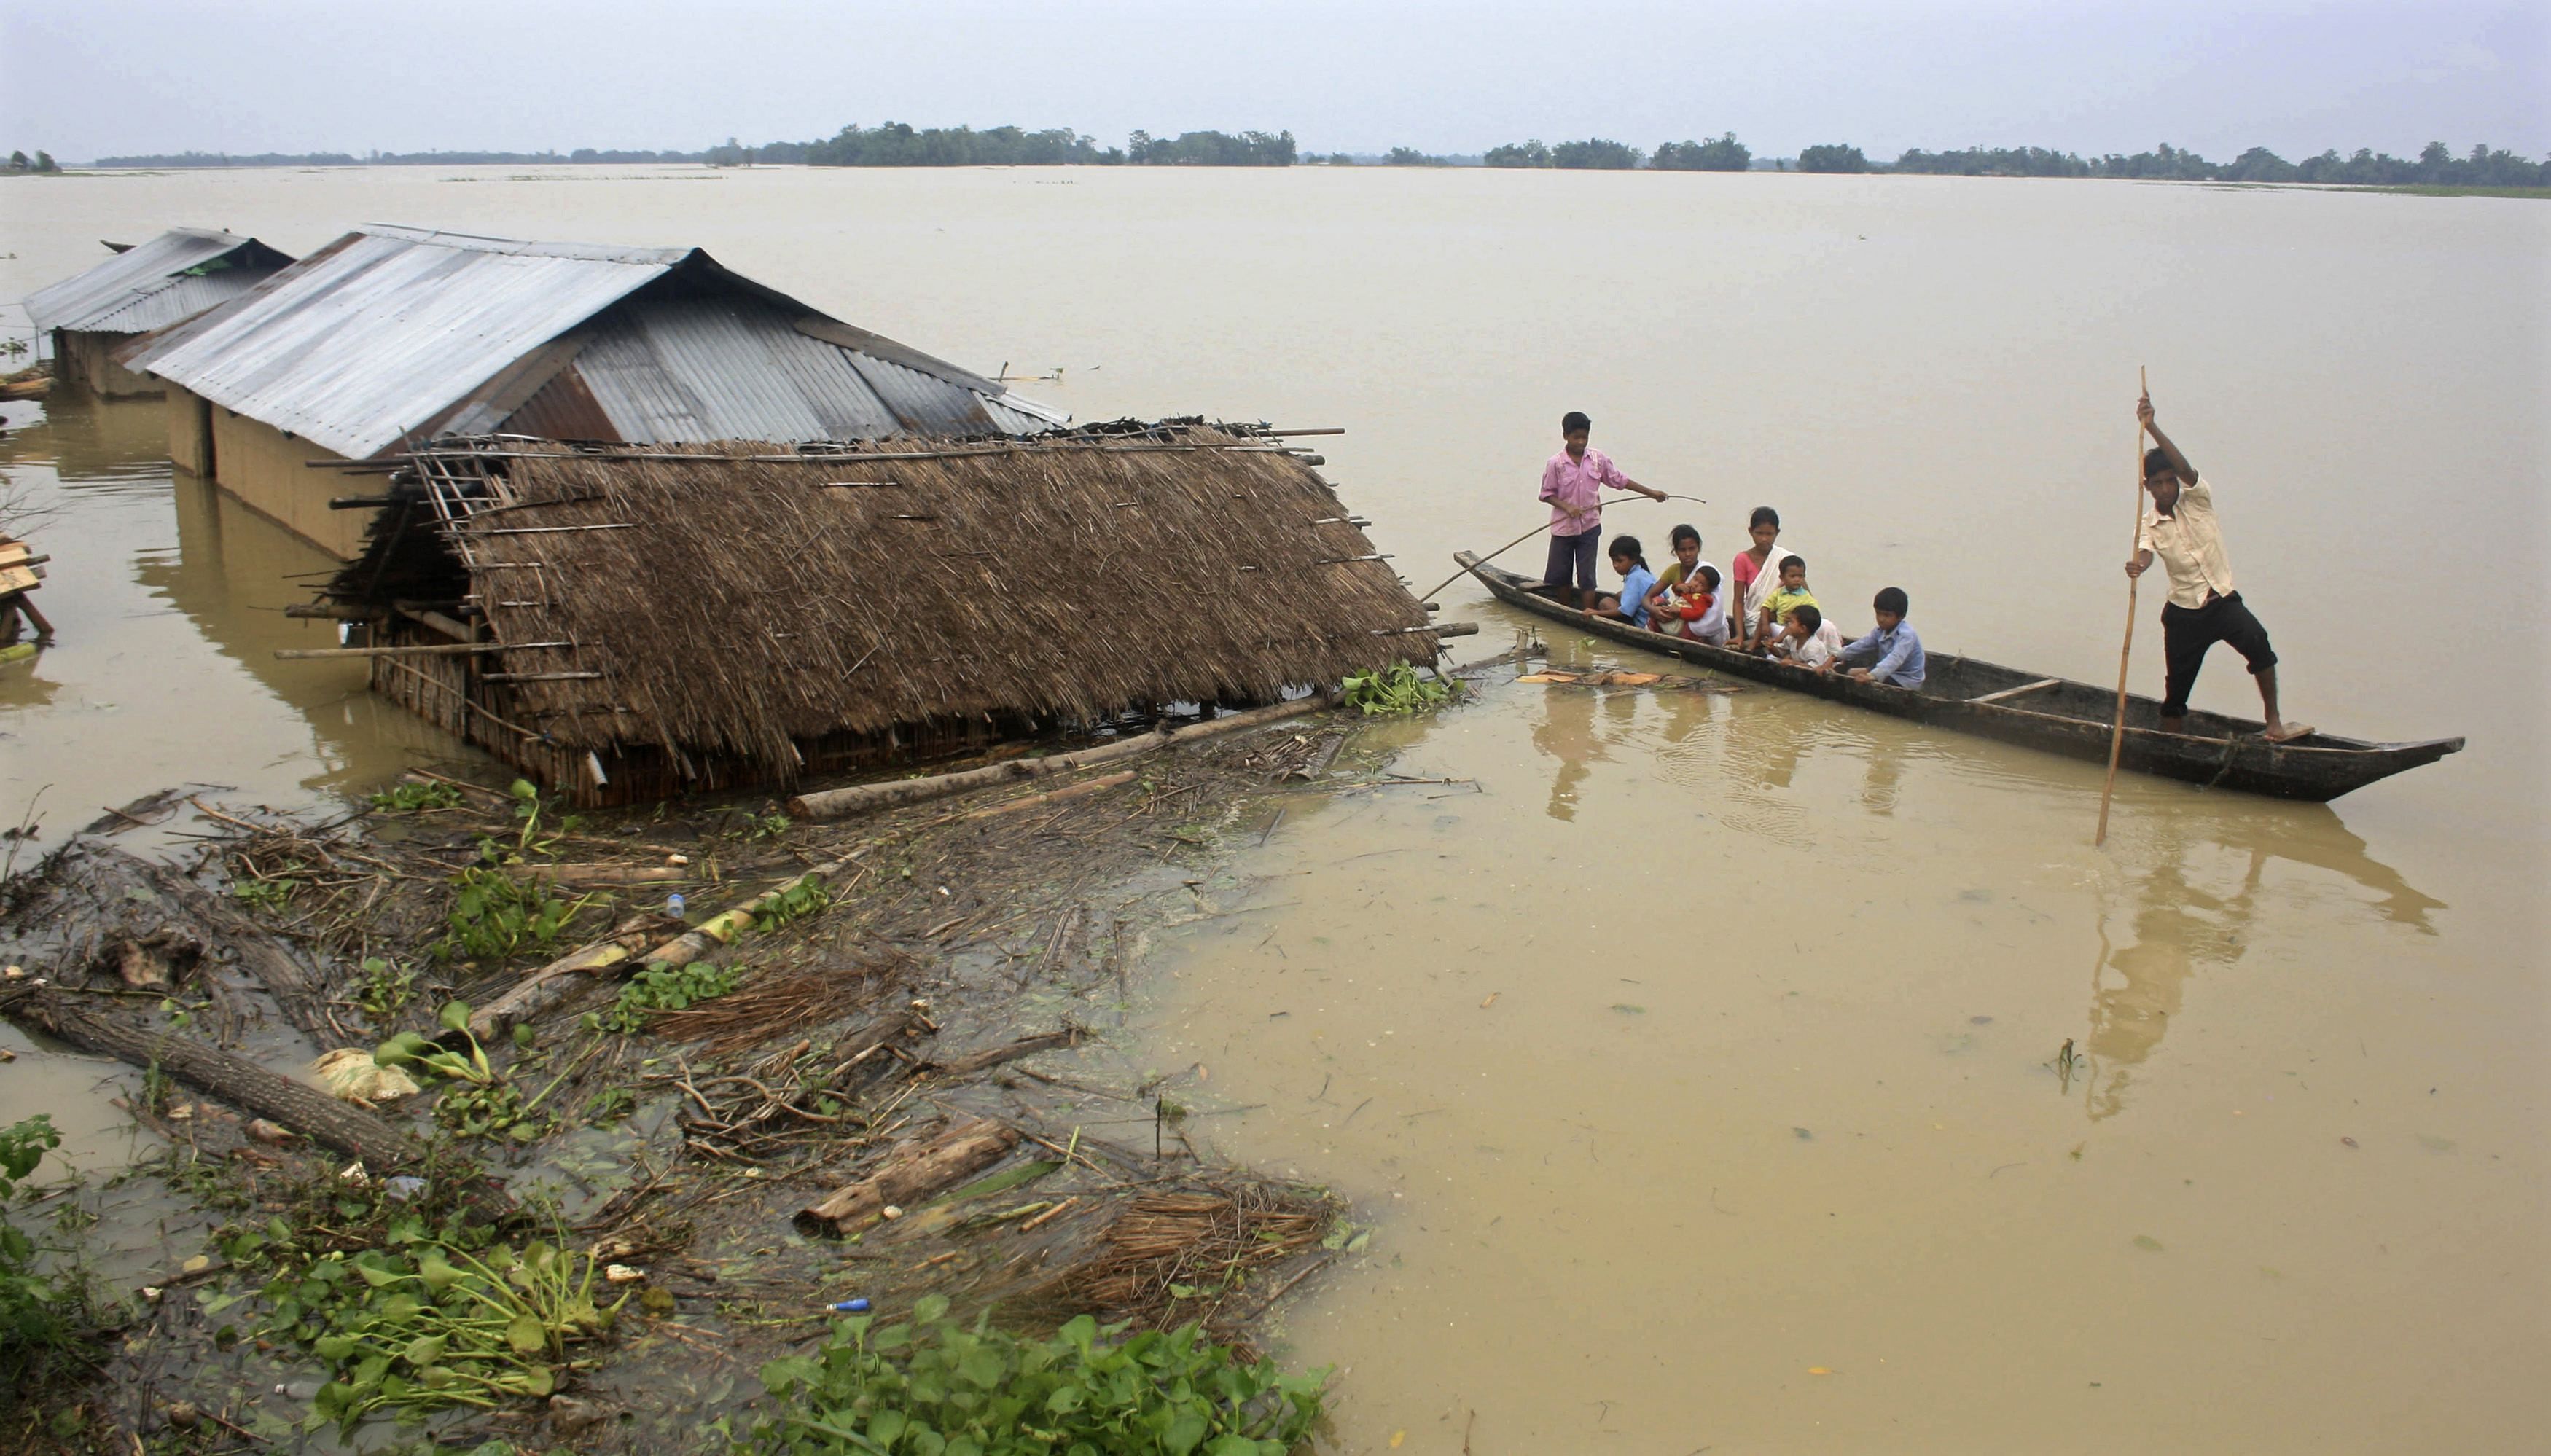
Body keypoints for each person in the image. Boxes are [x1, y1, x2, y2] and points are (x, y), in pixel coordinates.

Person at [2125, 394, 2310, 741]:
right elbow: (2145, 554)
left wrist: (2151, 427)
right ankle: (2171, 746)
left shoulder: (2198, 500)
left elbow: (2184, 467)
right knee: (2176, 691)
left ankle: (2273, 722)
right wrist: (2137, 566)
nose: (2166, 488)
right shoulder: (2147, 524)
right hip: (2183, 615)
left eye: (2169, 481)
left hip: (2222, 602)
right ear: (2147, 488)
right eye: (2158, 483)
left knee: (2259, 643)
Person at [1540, 412, 1667, 609]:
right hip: (1563, 528)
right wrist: (1567, 507)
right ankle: (1564, 610)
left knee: (1587, 574)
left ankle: (1589, 612)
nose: (1581, 442)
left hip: (1590, 526)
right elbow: (1546, 494)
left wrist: (1650, 492)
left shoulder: (1597, 459)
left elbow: (1619, 480)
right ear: (1565, 436)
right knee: (1561, 575)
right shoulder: (1555, 464)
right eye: (1576, 438)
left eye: (1585, 437)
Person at [1820, 587, 1927, 687]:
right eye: (1878, 613)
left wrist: (1871, 676)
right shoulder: (1880, 631)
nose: (1881, 619)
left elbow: (1895, 659)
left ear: (1901, 617)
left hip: (1906, 679)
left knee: (1859, 678)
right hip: (1887, 671)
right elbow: (1861, 646)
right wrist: (1835, 657)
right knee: (1845, 670)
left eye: (1887, 615)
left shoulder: (1906, 635)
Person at [1729, 507, 1799, 651]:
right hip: (1757, 621)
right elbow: (1738, 601)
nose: (1764, 539)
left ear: (1777, 533)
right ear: (1750, 531)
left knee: (1825, 627)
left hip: (1785, 619)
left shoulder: (1785, 559)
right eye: (1759, 533)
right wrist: (1740, 636)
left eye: (1769, 534)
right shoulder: (1742, 559)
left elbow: (1805, 595)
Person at [1641, 525, 1714, 627]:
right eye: (1682, 550)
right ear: (1675, 551)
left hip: (1702, 625)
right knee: (1656, 601)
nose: (1688, 554)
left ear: (1698, 548)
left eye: (1692, 549)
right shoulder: (1674, 571)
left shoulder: (1707, 572)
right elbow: (1646, 598)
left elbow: (1715, 607)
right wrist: (1654, 610)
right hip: (1679, 624)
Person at [1749, 555, 1818, 650]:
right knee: (1764, 616)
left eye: (1800, 576)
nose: (1797, 579)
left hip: (1794, 630)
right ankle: (1754, 643)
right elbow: (1765, 607)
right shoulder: (1779, 593)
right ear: (1782, 577)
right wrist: (1765, 625)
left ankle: (1775, 642)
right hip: (1779, 625)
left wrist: (1795, 617)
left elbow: (1814, 613)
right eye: (1793, 576)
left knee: (1792, 624)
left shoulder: (1806, 597)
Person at [1587, 535, 1656, 626]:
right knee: (1620, 595)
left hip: (1643, 624)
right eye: (1613, 561)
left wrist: (1596, 613)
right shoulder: (1644, 573)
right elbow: (1666, 595)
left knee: (1605, 602)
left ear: (1634, 559)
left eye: (1620, 561)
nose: (1615, 565)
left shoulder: (1634, 578)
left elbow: (1625, 612)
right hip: (1651, 619)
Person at [1668, 563, 1729, 645]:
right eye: (1695, 579)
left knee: (1686, 636)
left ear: (1708, 590)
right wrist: (1678, 587)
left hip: (1685, 625)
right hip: (1677, 619)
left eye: (1701, 585)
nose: (1696, 584)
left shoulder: (1702, 599)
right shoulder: (1689, 589)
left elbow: (1697, 613)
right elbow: (1679, 593)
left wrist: (1680, 610)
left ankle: (1679, 646)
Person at [1770, 602, 1843, 667]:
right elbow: (1781, 653)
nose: (1788, 625)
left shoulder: (1814, 647)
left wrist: (1793, 663)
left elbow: (1813, 667)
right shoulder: (1791, 639)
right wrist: (1771, 648)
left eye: (1792, 622)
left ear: (1803, 629)